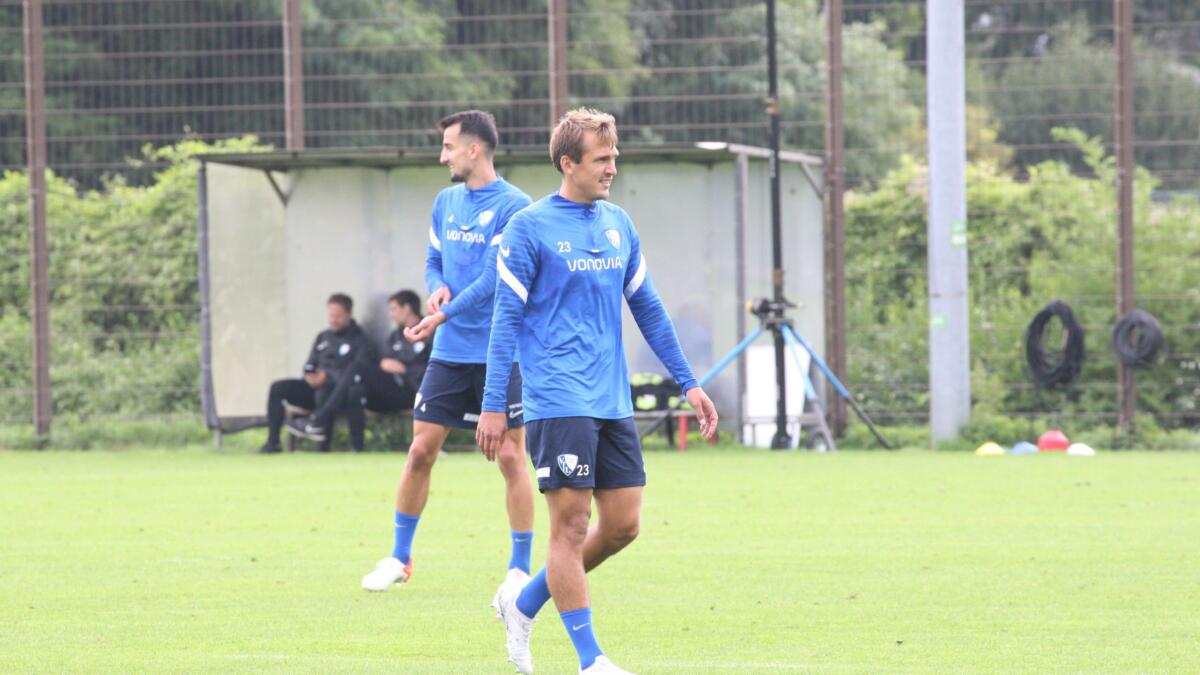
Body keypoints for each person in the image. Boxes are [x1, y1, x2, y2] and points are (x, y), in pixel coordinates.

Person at [478, 108, 718, 675]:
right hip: (558, 398)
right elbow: (504, 322)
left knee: (623, 525)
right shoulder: (530, 227)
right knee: (569, 527)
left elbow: (649, 309)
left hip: (611, 399)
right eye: (602, 159)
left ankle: (524, 601)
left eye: (614, 157)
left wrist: (690, 383)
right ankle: (592, 661)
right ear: (569, 163)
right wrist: (492, 404)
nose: (613, 167)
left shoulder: (618, 223)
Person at [359, 110, 537, 596]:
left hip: (501, 349)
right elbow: (434, 260)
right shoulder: (445, 202)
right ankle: (400, 557)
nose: (443, 156)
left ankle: (519, 568)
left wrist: (445, 312)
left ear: (473, 150)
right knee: (419, 451)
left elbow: (495, 279)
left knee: (510, 457)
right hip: (451, 350)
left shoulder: (515, 207)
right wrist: (436, 290)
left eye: (448, 147)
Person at [286, 289, 432, 448]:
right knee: (356, 388)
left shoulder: (431, 333)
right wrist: (385, 364)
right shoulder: (395, 336)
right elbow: (387, 364)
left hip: (414, 392)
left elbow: (434, 369)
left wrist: (405, 370)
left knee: (358, 367)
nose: (391, 315)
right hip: (392, 391)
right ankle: (355, 447)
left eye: (393, 309)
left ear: (407, 308)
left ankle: (318, 420)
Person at [259, 293, 376, 453]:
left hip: (339, 394)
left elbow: (355, 371)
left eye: (338, 316)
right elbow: (310, 363)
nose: (333, 320)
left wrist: (327, 377)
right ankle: (273, 443)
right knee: (278, 387)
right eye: (331, 316)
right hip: (314, 388)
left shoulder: (360, 339)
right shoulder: (323, 337)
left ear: (349, 314)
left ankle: (324, 444)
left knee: (325, 391)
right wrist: (310, 375)